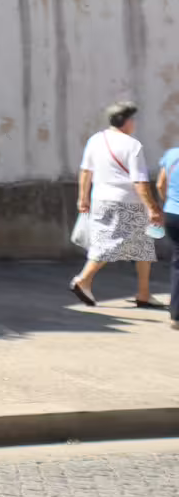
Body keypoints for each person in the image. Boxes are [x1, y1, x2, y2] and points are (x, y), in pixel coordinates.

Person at [69, 101, 162, 309]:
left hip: (101, 199)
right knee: (110, 244)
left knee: (142, 246)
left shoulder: (95, 140)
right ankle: (83, 280)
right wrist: (153, 208)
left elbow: (86, 170)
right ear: (127, 121)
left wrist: (83, 197)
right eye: (133, 119)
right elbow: (139, 182)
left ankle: (144, 293)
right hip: (127, 202)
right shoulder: (132, 146)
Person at [158, 132, 179, 328]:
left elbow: (160, 184)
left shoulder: (171, 155)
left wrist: (169, 203)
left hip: (172, 215)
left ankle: (176, 315)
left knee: (177, 263)